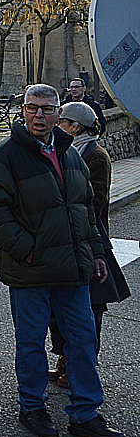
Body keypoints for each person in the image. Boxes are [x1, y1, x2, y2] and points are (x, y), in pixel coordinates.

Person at [0, 84, 124, 437]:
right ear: (23, 111)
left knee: (83, 340)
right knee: (31, 342)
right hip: (30, 270)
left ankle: (85, 413)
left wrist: (97, 252)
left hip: (73, 268)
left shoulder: (71, 153)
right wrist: (27, 249)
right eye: (32, 108)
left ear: (59, 113)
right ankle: (32, 407)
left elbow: (85, 208)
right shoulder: (5, 156)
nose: (39, 115)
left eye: (47, 109)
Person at [49, 101, 128, 390]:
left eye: (62, 121)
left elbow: (94, 204)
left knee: (90, 308)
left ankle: (82, 366)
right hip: (63, 242)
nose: (57, 125)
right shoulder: (64, 151)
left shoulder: (96, 155)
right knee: (59, 307)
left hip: (90, 242)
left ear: (75, 127)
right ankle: (64, 360)